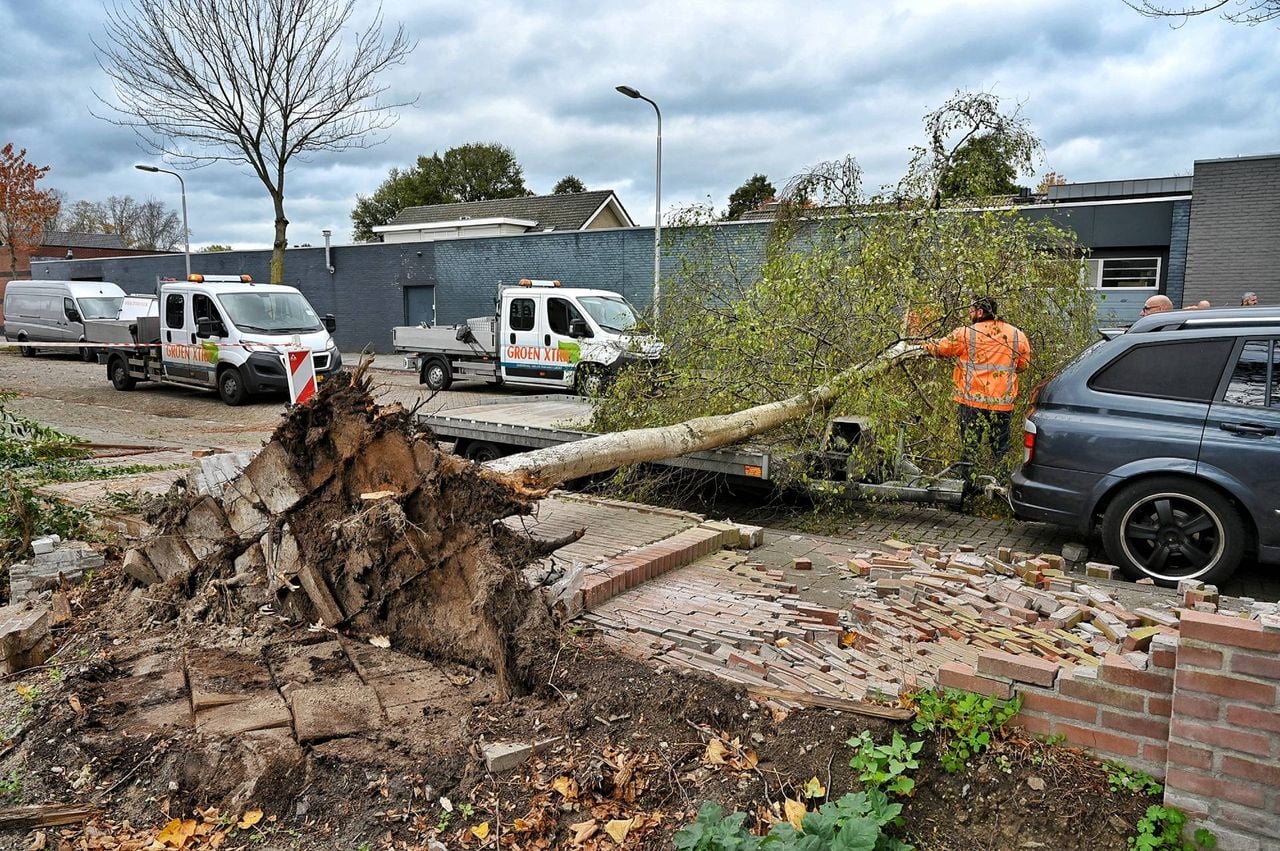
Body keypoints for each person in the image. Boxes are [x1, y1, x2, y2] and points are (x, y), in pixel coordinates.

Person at [923, 297, 1031, 498]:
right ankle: (1000, 490)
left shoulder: (966, 333)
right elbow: (1023, 365)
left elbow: (941, 348)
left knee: (969, 449)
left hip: (971, 403)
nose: (969, 313)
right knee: (1000, 449)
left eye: (971, 310)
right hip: (1001, 405)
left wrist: (921, 345)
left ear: (980, 312)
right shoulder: (1016, 334)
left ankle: (967, 491)